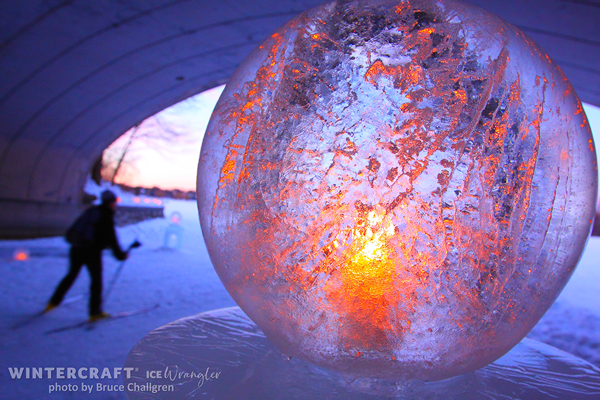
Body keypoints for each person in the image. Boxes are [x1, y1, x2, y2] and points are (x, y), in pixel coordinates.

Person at [46, 190, 128, 321]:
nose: (115, 204)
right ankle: (95, 312)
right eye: (114, 202)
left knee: (71, 275)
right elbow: (112, 239)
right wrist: (120, 255)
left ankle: (53, 303)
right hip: (92, 252)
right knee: (96, 281)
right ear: (110, 202)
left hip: (76, 248)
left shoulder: (92, 211)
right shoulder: (106, 215)